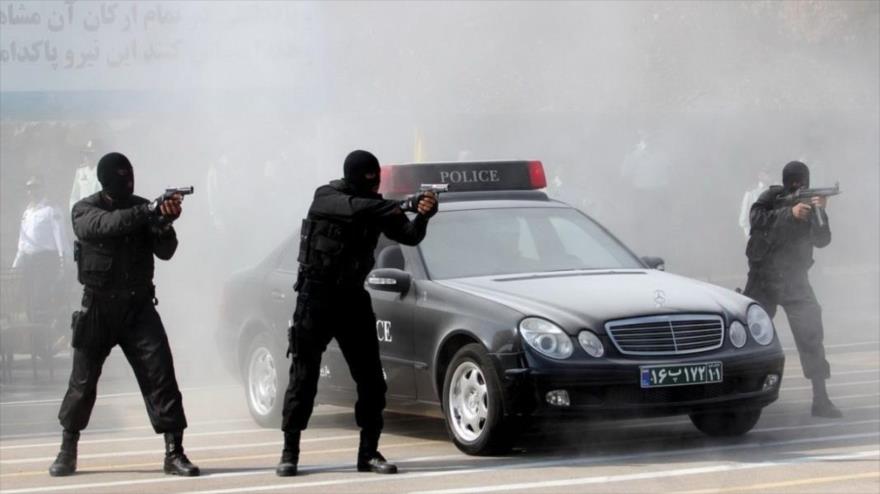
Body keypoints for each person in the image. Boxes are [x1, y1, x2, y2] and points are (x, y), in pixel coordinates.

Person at [277, 150, 438, 477]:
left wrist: (423, 214)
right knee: (303, 377)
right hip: (316, 296)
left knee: (371, 379)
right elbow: (352, 209)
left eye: (376, 179)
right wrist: (402, 204)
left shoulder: (377, 205)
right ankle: (290, 452)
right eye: (368, 179)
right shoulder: (327, 196)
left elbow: (409, 235)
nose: (373, 185)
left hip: (352, 298)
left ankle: (369, 452)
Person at [49, 152, 200, 477]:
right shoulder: (85, 209)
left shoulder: (145, 208)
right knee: (82, 384)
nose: (127, 182)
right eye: (120, 176)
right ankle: (67, 450)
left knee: (162, 378)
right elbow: (104, 226)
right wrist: (147, 212)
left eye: (129, 175)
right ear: (105, 181)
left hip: (138, 308)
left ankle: (174, 452)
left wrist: (164, 222)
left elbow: (167, 251)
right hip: (98, 308)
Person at [744, 160, 841, 419]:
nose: (799, 186)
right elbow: (755, 219)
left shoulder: (811, 207)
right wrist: (789, 212)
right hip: (764, 278)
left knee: (811, 332)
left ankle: (821, 399)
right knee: (747, 336)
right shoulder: (772, 196)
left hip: (794, 278)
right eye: (795, 182)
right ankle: (740, 398)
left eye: (803, 183)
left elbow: (823, 240)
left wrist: (820, 212)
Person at [12, 176, 68, 325]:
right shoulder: (27, 213)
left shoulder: (51, 209)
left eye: (36, 187)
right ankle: (36, 336)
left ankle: (43, 339)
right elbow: (22, 241)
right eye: (29, 188)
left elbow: (59, 235)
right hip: (29, 261)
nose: (32, 191)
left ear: (42, 189)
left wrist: (64, 260)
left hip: (46, 260)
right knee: (29, 299)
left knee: (40, 298)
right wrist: (16, 264)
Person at [69, 139, 102, 212]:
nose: (88, 157)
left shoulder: (102, 172)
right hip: (83, 212)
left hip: (97, 212)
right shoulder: (80, 172)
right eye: (86, 154)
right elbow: (74, 196)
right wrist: (74, 212)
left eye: (91, 154)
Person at [738, 169, 771, 239]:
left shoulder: (778, 190)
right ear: (760, 175)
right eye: (767, 173)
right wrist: (750, 237)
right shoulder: (751, 192)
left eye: (770, 172)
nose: (769, 176)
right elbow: (744, 219)